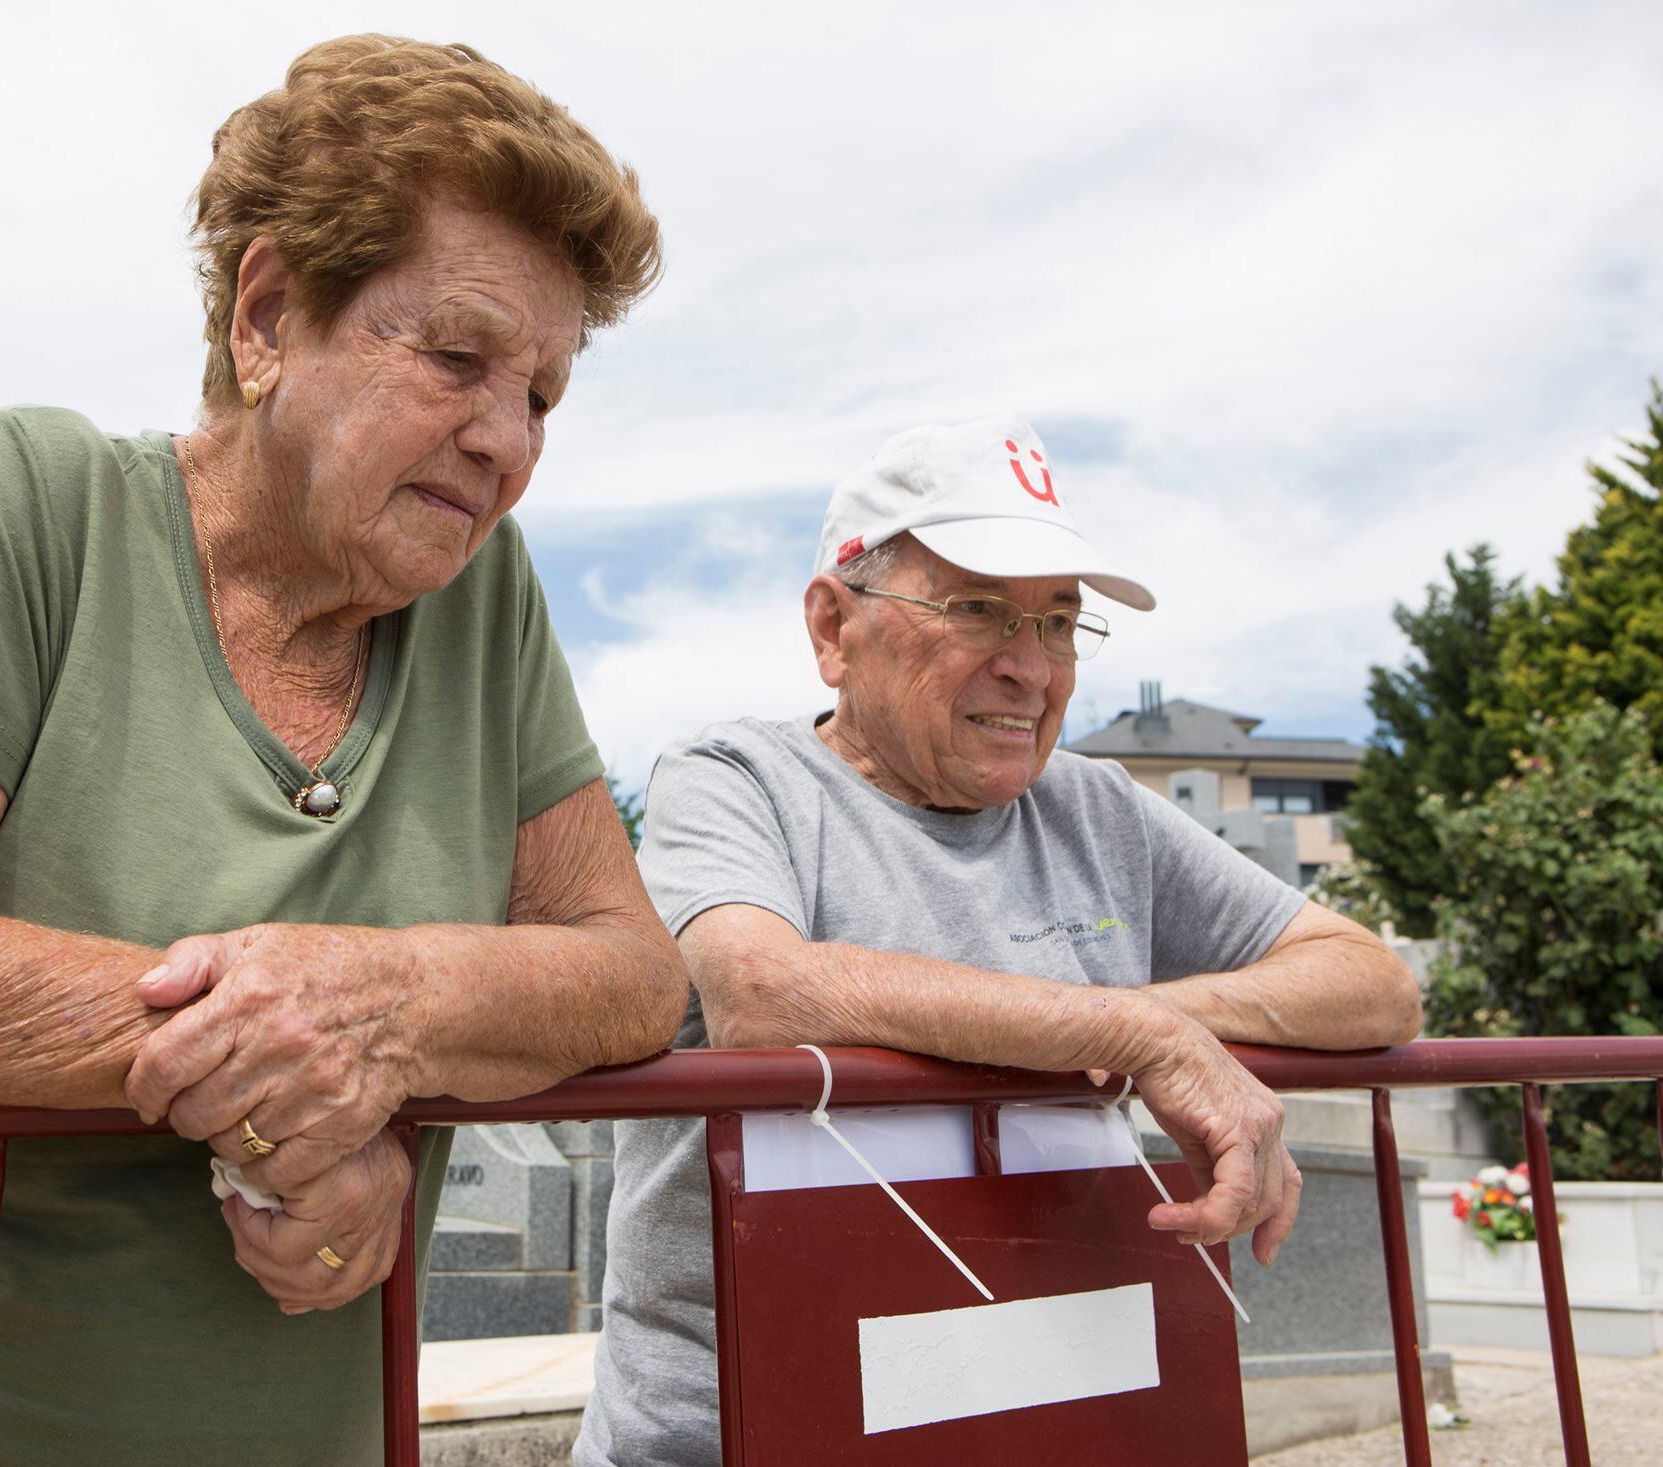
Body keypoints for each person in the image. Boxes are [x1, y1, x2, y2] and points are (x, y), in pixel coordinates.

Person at [0, 35, 686, 1466]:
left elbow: (629, 971)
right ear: (266, 315)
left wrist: (381, 1008)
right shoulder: (38, 505)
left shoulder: (483, 597)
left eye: (545, 394)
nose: (506, 439)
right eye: (456, 356)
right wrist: (275, 1078)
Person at [574, 416, 1424, 1467]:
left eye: (1060, 624)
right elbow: (766, 994)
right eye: (977, 610)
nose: (1032, 668)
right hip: (743, 1432)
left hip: (1040, 1411)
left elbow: (1372, 983)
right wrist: (1128, 1036)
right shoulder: (736, 779)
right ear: (834, 629)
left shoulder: (1097, 805)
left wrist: (1151, 1026)